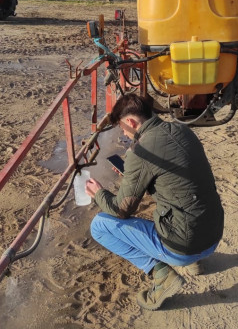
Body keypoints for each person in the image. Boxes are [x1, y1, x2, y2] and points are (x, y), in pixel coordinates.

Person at [85, 93, 224, 310]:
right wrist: (131, 174)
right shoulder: (183, 130)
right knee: (185, 198)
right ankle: (194, 263)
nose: (124, 134)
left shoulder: (140, 151)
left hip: (184, 245)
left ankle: (161, 274)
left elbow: (122, 211)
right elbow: (173, 181)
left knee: (100, 225)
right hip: (214, 234)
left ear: (131, 122)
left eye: (122, 129)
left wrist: (99, 194)